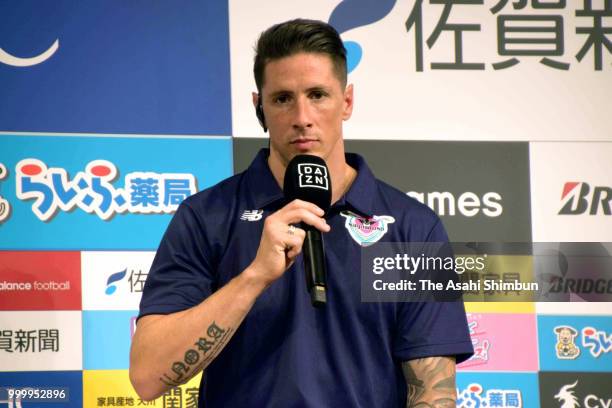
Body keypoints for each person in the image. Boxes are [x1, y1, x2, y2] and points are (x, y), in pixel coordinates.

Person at [129, 18, 473, 407]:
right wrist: (254, 277)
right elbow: (147, 377)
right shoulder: (206, 215)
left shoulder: (413, 226)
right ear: (259, 108)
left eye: (318, 95)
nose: (302, 117)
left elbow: (432, 390)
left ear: (347, 102)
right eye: (282, 99)